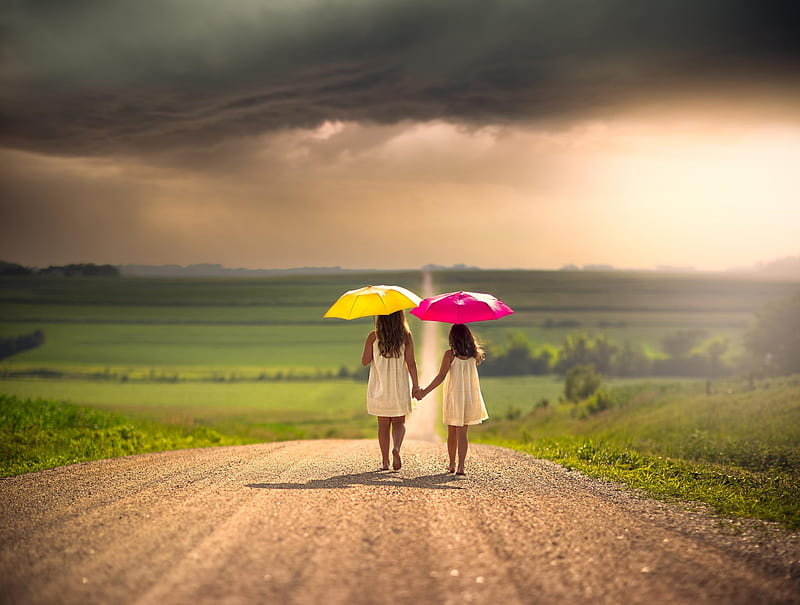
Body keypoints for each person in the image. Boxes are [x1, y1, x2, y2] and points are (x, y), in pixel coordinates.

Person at [416, 323, 488, 475]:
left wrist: (424, 392)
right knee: (463, 433)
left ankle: (452, 464)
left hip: (454, 396)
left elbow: (441, 377)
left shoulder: (450, 355)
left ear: (452, 338)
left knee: (452, 433)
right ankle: (462, 466)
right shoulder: (474, 355)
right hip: (469, 396)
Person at [361, 310, 421, 471]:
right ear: (400, 317)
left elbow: (365, 361)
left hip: (379, 387)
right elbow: (411, 363)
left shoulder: (373, 337)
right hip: (399, 386)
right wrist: (416, 385)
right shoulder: (406, 336)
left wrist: (374, 346)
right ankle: (397, 449)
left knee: (383, 426)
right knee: (399, 422)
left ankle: (385, 462)